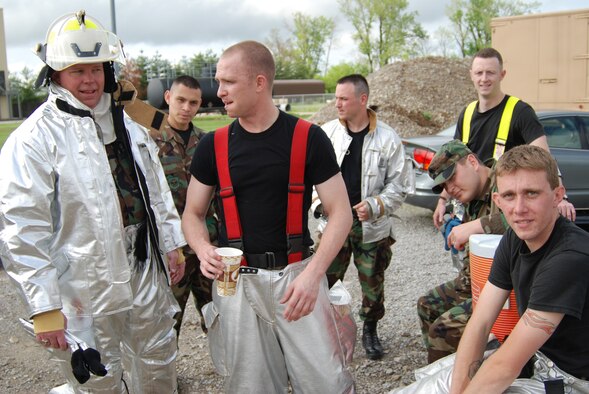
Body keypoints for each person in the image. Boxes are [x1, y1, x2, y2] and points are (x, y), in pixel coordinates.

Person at [0, 11, 186, 393]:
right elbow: (22, 227)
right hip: (83, 284)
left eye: (96, 69)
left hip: (142, 265)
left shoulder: (126, 126)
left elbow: (155, 190)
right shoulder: (33, 139)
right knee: (98, 379)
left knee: (158, 360)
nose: (89, 80)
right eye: (76, 70)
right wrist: (44, 304)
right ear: (54, 74)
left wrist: (172, 245)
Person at [182, 40, 355, 393]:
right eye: (218, 81)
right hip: (237, 284)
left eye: (228, 82)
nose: (219, 92)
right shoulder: (211, 146)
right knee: (250, 387)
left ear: (260, 83)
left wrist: (312, 275)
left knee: (326, 383)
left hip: (297, 279)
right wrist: (202, 250)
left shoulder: (309, 138)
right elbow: (192, 214)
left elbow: (341, 214)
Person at [393, 144, 589, 394]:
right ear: (498, 199)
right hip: (536, 360)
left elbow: (506, 366)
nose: (519, 209)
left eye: (531, 193)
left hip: (570, 379)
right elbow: (481, 320)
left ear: (558, 195)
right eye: (509, 196)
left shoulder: (569, 257)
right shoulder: (514, 239)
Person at [313, 74, 414, 360]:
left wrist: (376, 204)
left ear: (363, 99)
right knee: (327, 278)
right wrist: (321, 205)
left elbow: (400, 184)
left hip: (371, 226)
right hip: (334, 223)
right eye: (336, 98)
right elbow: (312, 177)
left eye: (344, 98)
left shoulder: (388, 138)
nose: (337, 104)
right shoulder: (327, 134)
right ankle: (329, 330)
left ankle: (370, 329)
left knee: (372, 281)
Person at [433, 47, 575, 229]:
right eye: (479, 73)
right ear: (471, 75)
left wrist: (560, 198)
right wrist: (443, 201)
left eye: (490, 72)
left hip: (507, 209)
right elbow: (452, 164)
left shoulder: (520, 112)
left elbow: (544, 158)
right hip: (474, 209)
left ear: (502, 74)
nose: (484, 79)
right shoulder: (466, 114)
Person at [417, 140, 508, 363]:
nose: (451, 189)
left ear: (471, 161)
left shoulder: (505, 181)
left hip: (507, 290)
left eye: (452, 178)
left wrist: (476, 226)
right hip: (475, 282)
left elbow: (523, 216)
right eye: (445, 186)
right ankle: (453, 365)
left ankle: (458, 378)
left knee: (442, 329)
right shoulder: (471, 196)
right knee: (427, 305)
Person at [148, 75, 218, 337]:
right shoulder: (148, 141)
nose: (186, 108)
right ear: (167, 98)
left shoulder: (207, 142)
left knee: (218, 313)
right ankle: (165, 377)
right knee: (166, 319)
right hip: (170, 247)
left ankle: (229, 370)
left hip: (206, 245)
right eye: (180, 100)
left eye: (193, 102)